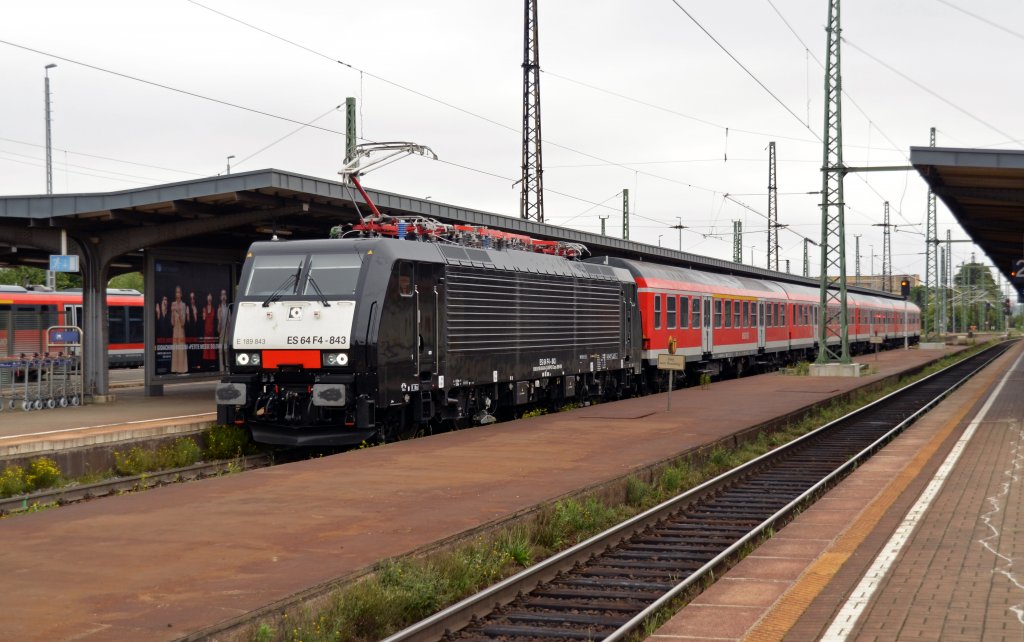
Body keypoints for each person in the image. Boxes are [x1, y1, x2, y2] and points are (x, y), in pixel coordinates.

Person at [170, 286, 188, 374]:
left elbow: (183, 323)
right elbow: (172, 323)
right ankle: (175, 369)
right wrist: (173, 313)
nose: (177, 294)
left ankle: (182, 369)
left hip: (181, 330)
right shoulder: (173, 304)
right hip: (175, 330)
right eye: (176, 292)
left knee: (181, 350)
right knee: (175, 349)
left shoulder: (183, 305)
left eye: (179, 292)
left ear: (181, 294)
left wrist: (179, 312)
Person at [202, 292, 216, 366]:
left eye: (210, 297)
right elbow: (203, 319)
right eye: (208, 297)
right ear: (207, 299)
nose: (209, 299)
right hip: (206, 332)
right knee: (206, 349)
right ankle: (206, 365)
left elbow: (214, 319)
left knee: (212, 350)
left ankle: (212, 365)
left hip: (212, 332)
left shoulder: (214, 308)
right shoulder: (204, 308)